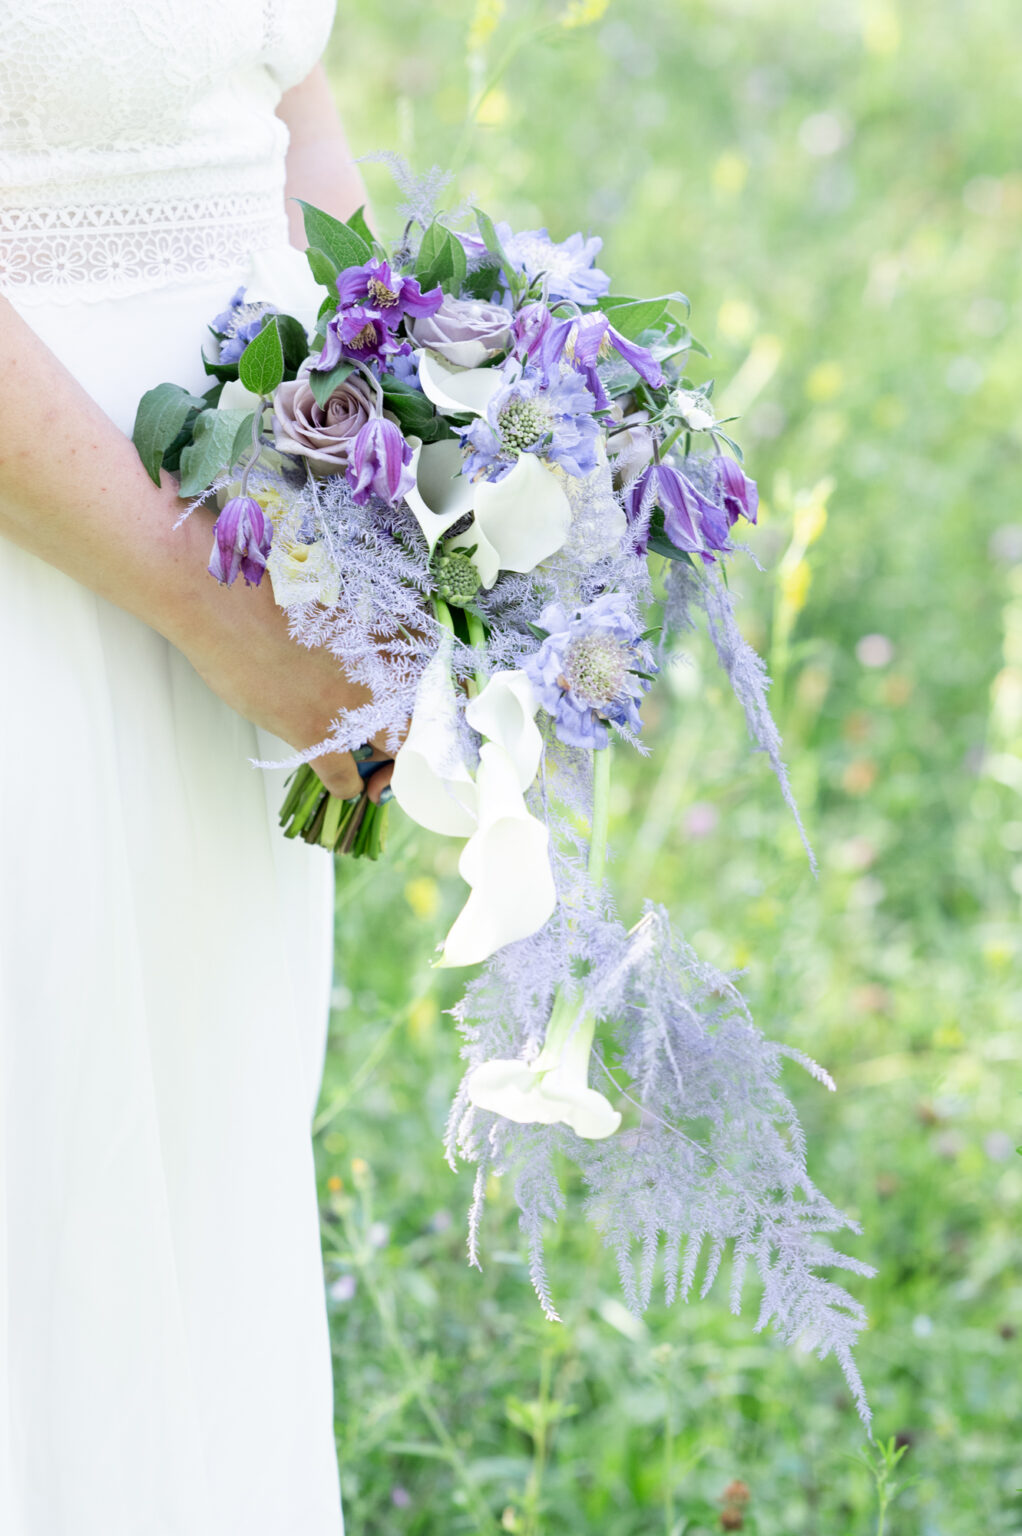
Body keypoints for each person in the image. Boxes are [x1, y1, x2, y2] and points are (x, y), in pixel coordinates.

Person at [0, 4, 378, 1529]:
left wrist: (405, 452)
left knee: (193, 1169)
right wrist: (197, 604)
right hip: (58, 555)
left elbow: (280, 94)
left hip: (253, 527)